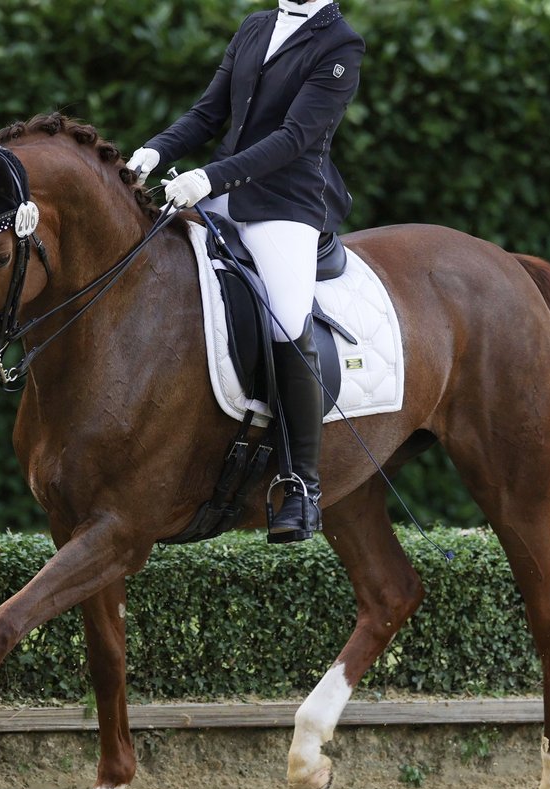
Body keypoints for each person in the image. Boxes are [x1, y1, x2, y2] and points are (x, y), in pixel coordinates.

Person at [127, 0, 364, 543]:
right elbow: (209, 113)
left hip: (287, 203)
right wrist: (152, 152)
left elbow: (295, 138)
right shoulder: (255, 26)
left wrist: (210, 178)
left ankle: (301, 486)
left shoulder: (340, 43)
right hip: (223, 190)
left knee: (286, 317)